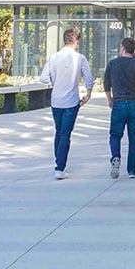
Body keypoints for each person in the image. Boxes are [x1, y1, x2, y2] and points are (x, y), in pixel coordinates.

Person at [39, 28, 93, 180]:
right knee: (65, 134)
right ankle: (60, 167)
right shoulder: (80, 58)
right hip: (71, 101)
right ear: (76, 41)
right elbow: (88, 77)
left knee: (58, 131)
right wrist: (88, 93)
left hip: (56, 100)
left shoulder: (54, 57)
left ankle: (59, 162)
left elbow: (43, 78)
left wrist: (55, 82)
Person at [104, 37, 135, 179]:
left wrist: (110, 100)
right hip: (134, 103)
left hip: (118, 103)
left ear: (122, 47)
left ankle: (115, 157)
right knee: (134, 138)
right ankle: (132, 170)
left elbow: (106, 85)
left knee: (115, 135)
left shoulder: (112, 64)